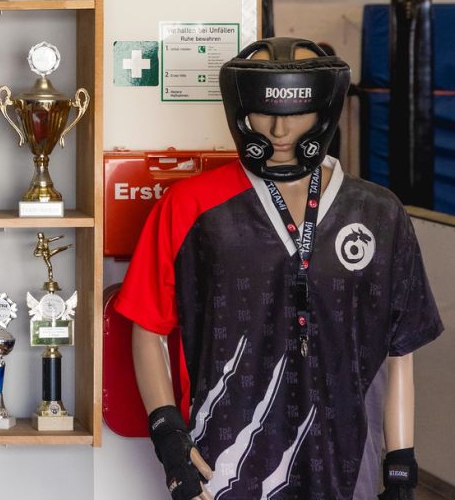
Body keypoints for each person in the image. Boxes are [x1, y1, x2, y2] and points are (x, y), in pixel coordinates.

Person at [118, 37, 443, 500]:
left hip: (349, 462)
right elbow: (147, 326)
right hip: (223, 463)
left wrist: (401, 465)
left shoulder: (379, 212)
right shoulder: (190, 206)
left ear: (324, 108)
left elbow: (400, 350)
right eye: (264, 111)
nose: (279, 128)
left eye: (297, 111)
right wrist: (169, 436)